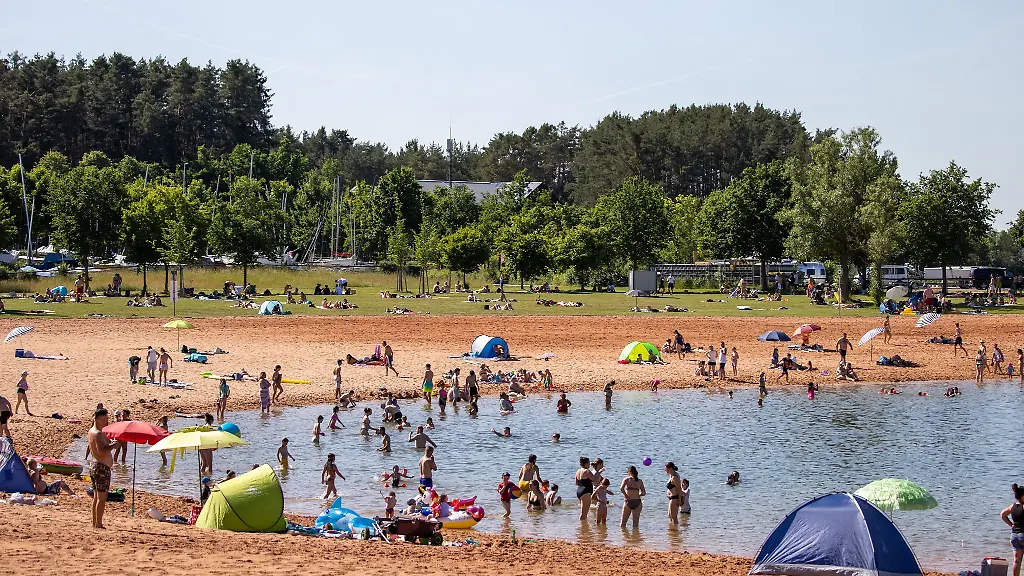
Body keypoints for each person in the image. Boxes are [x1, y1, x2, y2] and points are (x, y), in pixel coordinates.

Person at [88, 408, 115, 528]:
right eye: (103, 419)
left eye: (107, 419)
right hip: (101, 468)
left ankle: (95, 522)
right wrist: (114, 445)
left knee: (96, 497)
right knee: (101, 498)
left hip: (96, 466)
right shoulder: (97, 433)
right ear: (97, 419)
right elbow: (102, 451)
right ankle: (98, 523)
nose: (106, 421)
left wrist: (111, 442)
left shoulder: (93, 431)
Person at [1001, 484, 1024, 576]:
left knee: (1016, 561)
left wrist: (1011, 525)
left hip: (1015, 536)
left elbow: (1002, 514)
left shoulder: (1012, 506)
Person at [575, 457, 595, 521]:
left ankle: (583, 525)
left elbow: (576, 483)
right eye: (589, 463)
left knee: (583, 512)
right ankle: (581, 526)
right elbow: (595, 479)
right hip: (586, 492)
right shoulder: (587, 471)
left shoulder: (578, 471)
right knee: (584, 513)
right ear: (586, 464)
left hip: (579, 491)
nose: (589, 465)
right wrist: (599, 471)